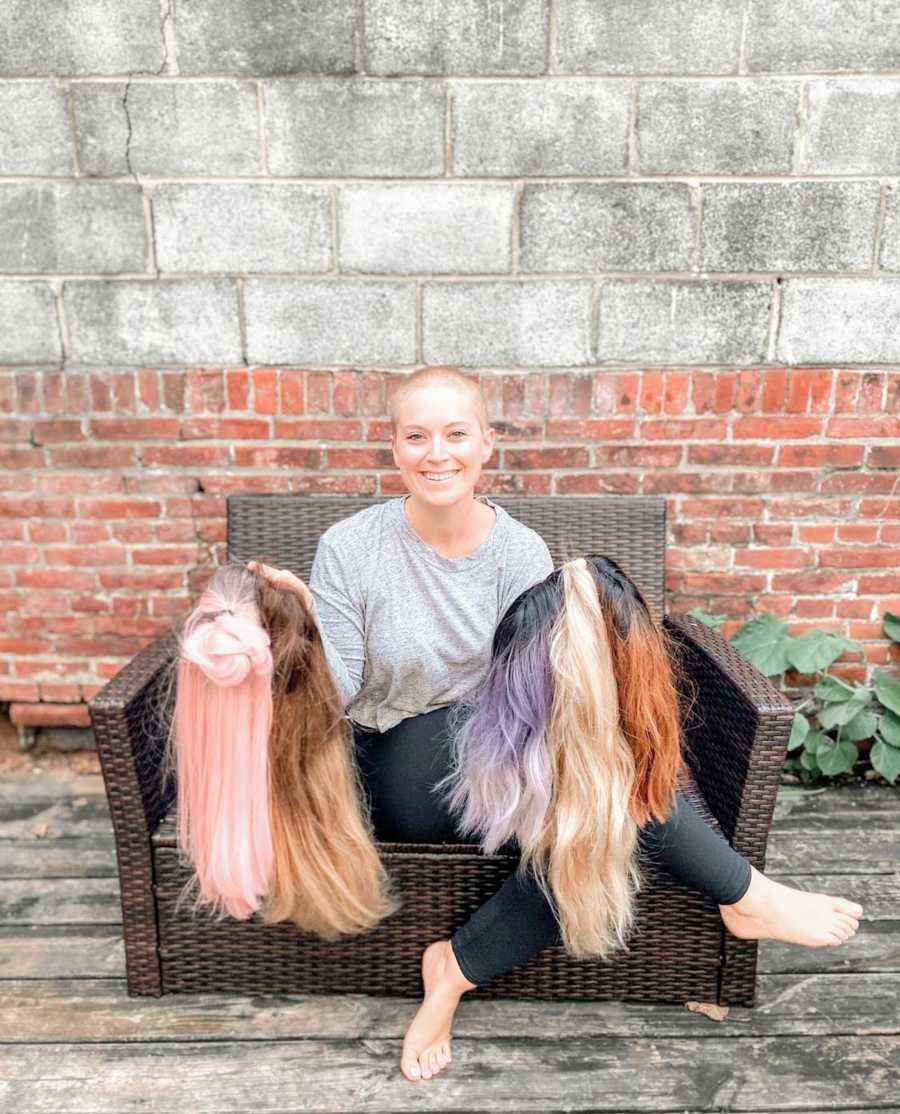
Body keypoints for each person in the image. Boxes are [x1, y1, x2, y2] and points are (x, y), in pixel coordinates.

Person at [251, 365, 863, 1085]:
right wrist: (304, 633)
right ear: (394, 448)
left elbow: (537, 694)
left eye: (455, 434)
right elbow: (340, 691)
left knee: (606, 808)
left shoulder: (521, 553)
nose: (436, 453)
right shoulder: (350, 548)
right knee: (610, 796)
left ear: (486, 445)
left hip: (502, 747)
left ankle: (453, 968)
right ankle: (746, 897)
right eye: (417, 436)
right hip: (394, 758)